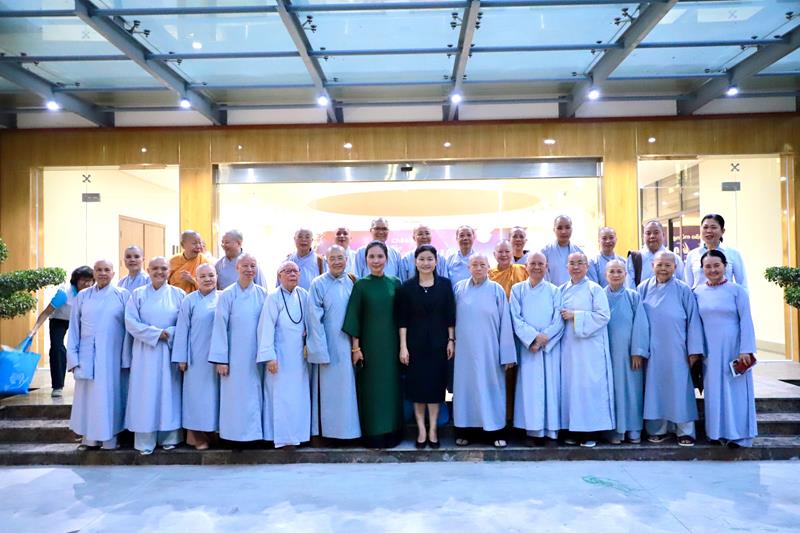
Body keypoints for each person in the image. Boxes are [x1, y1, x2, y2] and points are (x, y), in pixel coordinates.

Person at [639, 250, 704, 447]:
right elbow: (637, 321)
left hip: (678, 348)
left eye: (668, 265)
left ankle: (685, 431)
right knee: (654, 388)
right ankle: (657, 429)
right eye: (659, 264)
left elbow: (693, 321)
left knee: (680, 388)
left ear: (675, 267)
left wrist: (693, 351)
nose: (663, 268)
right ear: (652, 266)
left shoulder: (683, 290)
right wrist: (639, 349)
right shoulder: (642, 288)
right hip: (652, 349)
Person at [342, 240, 403, 448]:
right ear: (365, 259)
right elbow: (354, 318)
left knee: (391, 388)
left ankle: (393, 432)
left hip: (392, 346)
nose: (376, 260)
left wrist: (403, 346)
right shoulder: (360, 285)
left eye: (380, 256)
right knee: (371, 390)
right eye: (372, 256)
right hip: (369, 348)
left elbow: (403, 317)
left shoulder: (395, 283)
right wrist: (356, 348)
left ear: (387, 259)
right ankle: (372, 433)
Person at [694, 249, 757, 448]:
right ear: (702, 269)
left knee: (736, 392)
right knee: (713, 392)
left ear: (725, 266)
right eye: (708, 266)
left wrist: (746, 349)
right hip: (709, 351)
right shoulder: (696, 292)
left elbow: (746, 321)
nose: (712, 270)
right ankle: (716, 433)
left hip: (734, 349)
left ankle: (739, 436)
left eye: (717, 265)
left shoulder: (737, 291)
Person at [452, 254, 516, 448]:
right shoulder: (459, 289)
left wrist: (507, 355)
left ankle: (495, 432)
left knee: (491, 389)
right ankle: (465, 431)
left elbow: (506, 323)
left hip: (490, 351)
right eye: (474, 264)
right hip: (464, 352)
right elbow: (451, 319)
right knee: (466, 391)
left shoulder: (496, 290)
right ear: (468, 268)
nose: (478, 268)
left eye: (482, 264)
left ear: (489, 267)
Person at [124, 256, 186, 455]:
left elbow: (185, 323)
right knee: (145, 394)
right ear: (148, 271)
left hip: (169, 351)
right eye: (155, 268)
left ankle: (169, 437)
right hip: (145, 351)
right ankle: (145, 440)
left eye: (164, 268)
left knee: (169, 393)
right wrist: (155, 333)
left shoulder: (179, 294)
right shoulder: (138, 294)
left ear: (169, 271)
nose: (159, 272)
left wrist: (170, 333)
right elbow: (130, 322)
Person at [67, 259, 130, 450]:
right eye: (99, 270)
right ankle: (89, 438)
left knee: (110, 397)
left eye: (107, 270)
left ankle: (110, 438)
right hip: (87, 356)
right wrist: (73, 359)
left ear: (113, 273)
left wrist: (126, 357)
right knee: (88, 398)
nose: (103, 273)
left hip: (113, 357)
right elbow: (74, 328)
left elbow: (129, 329)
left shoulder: (122, 295)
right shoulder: (83, 296)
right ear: (94, 273)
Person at [397, 245, 456, 449]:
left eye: (430, 259)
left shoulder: (445, 285)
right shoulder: (406, 287)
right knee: (417, 389)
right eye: (421, 259)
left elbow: (450, 315)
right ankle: (421, 430)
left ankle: (433, 430)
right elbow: (402, 320)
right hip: (415, 346)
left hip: (439, 345)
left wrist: (451, 340)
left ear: (436, 261)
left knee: (435, 389)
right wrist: (403, 347)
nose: (425, 263)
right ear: (415, 262)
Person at [208, 254, 268, 443]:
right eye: (245, 266)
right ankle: (232, 436)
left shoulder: (263, 294)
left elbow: (269, 325)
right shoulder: (227, 294)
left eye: (253, 266)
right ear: (237, 268)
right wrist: (221, 360)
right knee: (234, 396)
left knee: (255, 394)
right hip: (233, 357)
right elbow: (220, 327)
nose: (249, 270)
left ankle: (254, 437)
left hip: (256, 355)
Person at [559, 252, 615, 448]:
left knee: (589, 388)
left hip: (590, 348)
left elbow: (603, 316)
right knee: (571, 388)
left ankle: (591, 432)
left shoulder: (594, 289)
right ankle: (572, 430)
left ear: (587, 266)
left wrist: (576, 315)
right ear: (567, 266)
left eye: (580, 263)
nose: (576, 267)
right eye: (572, 263)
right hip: (569, 347)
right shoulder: (562, 289)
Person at [306, 245, 361, 442]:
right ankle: (329, 433)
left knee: (349, 389)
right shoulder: (318, 284)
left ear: (346, 259)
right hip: (328, 343)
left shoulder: (353, 282)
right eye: (333, 258)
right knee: (329, 391)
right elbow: (314, 319)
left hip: (350, 343)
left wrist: (357, 345)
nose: (337, 262)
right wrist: (320, 351)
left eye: (340, 258)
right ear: (326, 261)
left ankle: (351, 432)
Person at [510, 252, 564, 446]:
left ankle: (551, 432)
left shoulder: (555, 290)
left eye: (541, 263)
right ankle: (532, 431)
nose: (536, 267)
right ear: (526, 266)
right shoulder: (517, 290)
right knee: (530, 389)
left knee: (551, 388)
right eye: (532, 263)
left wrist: (544, 338)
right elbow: (515, 318)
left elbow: (559, 319)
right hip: (529, 349)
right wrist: (532, 338)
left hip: (548, 348)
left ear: (546, 266)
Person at [256, 261, 311, 448]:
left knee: (298, 397)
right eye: (287, 271)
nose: (292, 274)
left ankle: (298, 435)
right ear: (279, 276)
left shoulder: (304, 295)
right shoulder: (273, 298)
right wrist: (269, 356)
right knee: (280, 397)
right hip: (279, 357)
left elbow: (310, 321)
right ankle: (280, 437)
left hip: (299, 358)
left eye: (295, 271)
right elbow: (265, 328)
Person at [172, 263, 220, 450]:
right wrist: (181, 358)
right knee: (196, 397)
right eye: (203, 276)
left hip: (218, 358)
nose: (208, 279)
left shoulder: (224, 297)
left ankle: (215, 434)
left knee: (216, 398)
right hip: (196, 358)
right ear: (196, 279)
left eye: (211, 275)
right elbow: (182, 330)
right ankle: (196, 436)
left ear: (216, 277)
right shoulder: (189, 300)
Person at [28, 266, 94, 397]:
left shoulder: (93, 293)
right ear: (76, 280)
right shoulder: (64, 294)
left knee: (87, 347)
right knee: (57, 348)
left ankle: (87, 382)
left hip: (79, 320)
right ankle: (57, 386)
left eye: (89, 280)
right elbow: (46, 312)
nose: (87, 284)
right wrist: (34, 330)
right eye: (83, 280)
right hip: (59, 319)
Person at [604, 259, 650, 445]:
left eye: (619, 271)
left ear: (625, 274)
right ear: (605, 274)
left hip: (630, 355)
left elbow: (641, 324)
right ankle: (614, 431)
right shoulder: (599, 295)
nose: (616, 275)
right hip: (607, 353)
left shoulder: (633, 296)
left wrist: (637, 351)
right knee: (611, 391)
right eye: (612, 271)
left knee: (632, 390)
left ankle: (633, 429)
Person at [488, 239, 528, 425]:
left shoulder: (522, 270)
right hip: (496, 331)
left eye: (507, 251)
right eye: (500, 252)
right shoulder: (489, 274)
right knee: (500, 374)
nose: (504, 255)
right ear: (494, 255)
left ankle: (518, 418)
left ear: (513, 253)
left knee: (519, 375)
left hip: (520, 330)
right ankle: (501, 417)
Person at [685, 214, 747, 289]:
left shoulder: (733, 253)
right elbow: (688, 285)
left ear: (722, 231)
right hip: (698, 296)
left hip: (725, 296)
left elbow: (742, 284)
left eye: (713, 227)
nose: (708, 231)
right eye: (705, 227)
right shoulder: (692, 255)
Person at [626, 220, 685, 289]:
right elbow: (629, 287)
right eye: (648, 233)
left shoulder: (674, 258)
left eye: (656, 233)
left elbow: (682, 284)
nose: (652, 236)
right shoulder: (634, 258)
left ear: (663, 235)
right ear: (643, 236)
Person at [541, 215, 583, 287]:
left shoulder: (579, 252)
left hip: (575, 292)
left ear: (572, 229)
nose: (564, 231)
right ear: (554, 230)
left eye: (567, 227)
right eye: (559, 228)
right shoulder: (545, 252)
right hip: (551, 292)